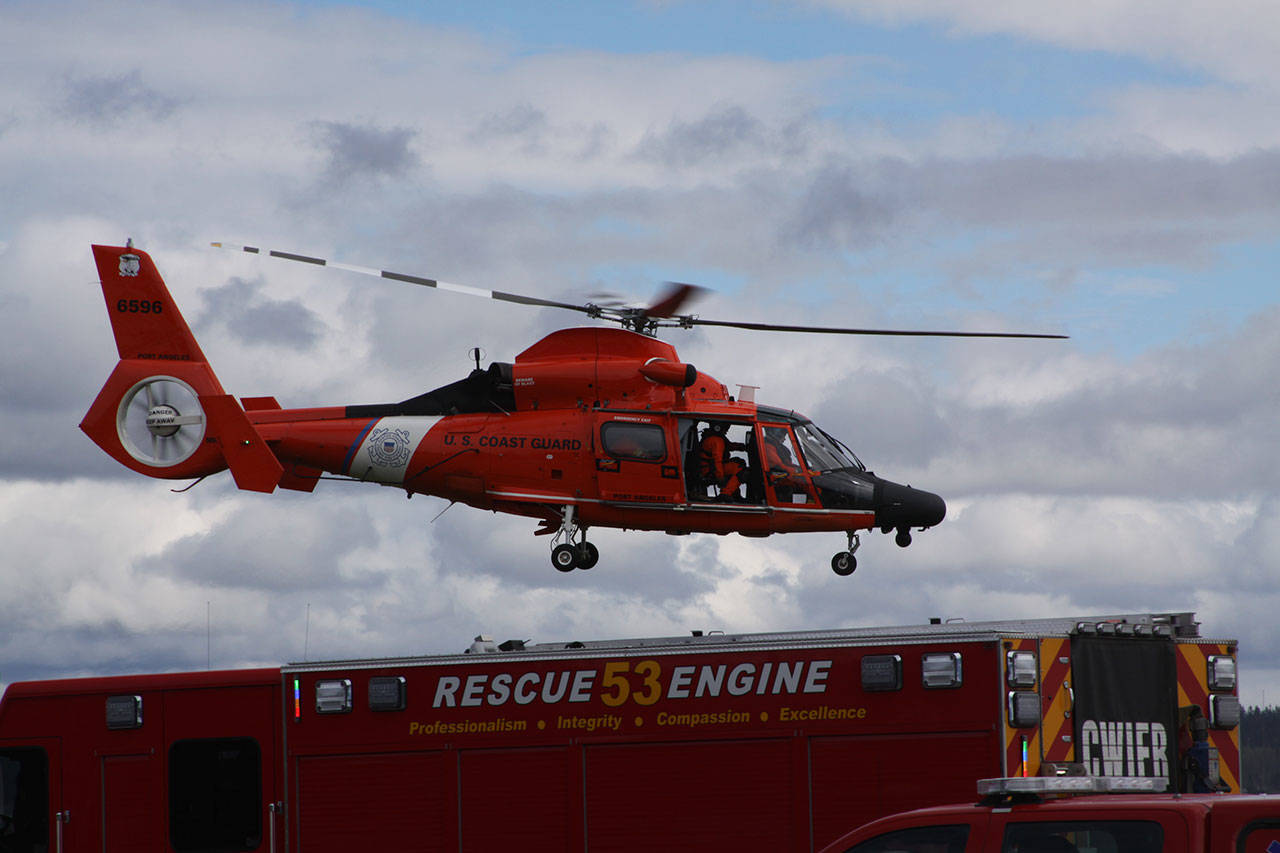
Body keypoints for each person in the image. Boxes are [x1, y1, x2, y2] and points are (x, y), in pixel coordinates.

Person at [698, 422, 747, 500]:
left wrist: (741, 447)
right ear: (718, 427)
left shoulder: (715, 438)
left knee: (739, 462)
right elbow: (717, 460)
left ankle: (733, 493)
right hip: (710, 470)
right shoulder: (716, 441)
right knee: (740, 469)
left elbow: (728, 446)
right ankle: (725, 494)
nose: (727, 430)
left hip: (708, 468)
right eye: (726, 428)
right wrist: (720, 477)